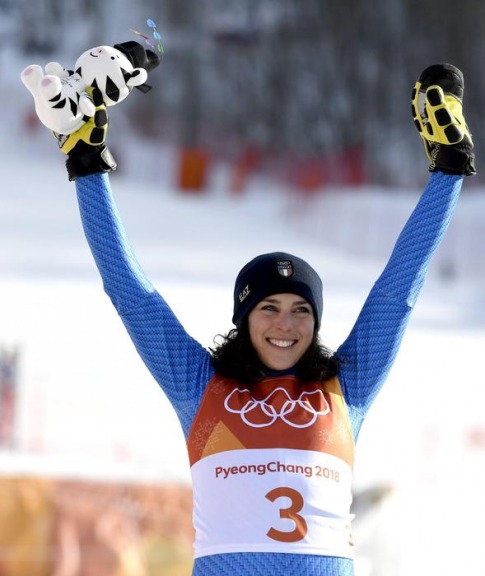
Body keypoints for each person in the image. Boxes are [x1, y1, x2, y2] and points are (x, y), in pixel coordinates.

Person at [32, 62, 475, 575]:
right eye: (269, 308)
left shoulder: (345, 388)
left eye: (301, 310)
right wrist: (87, 167)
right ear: (244, 319)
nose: (286, 324)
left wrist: (449, 171)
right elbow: (130, 293)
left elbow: (398, 290)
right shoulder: (199, 385)